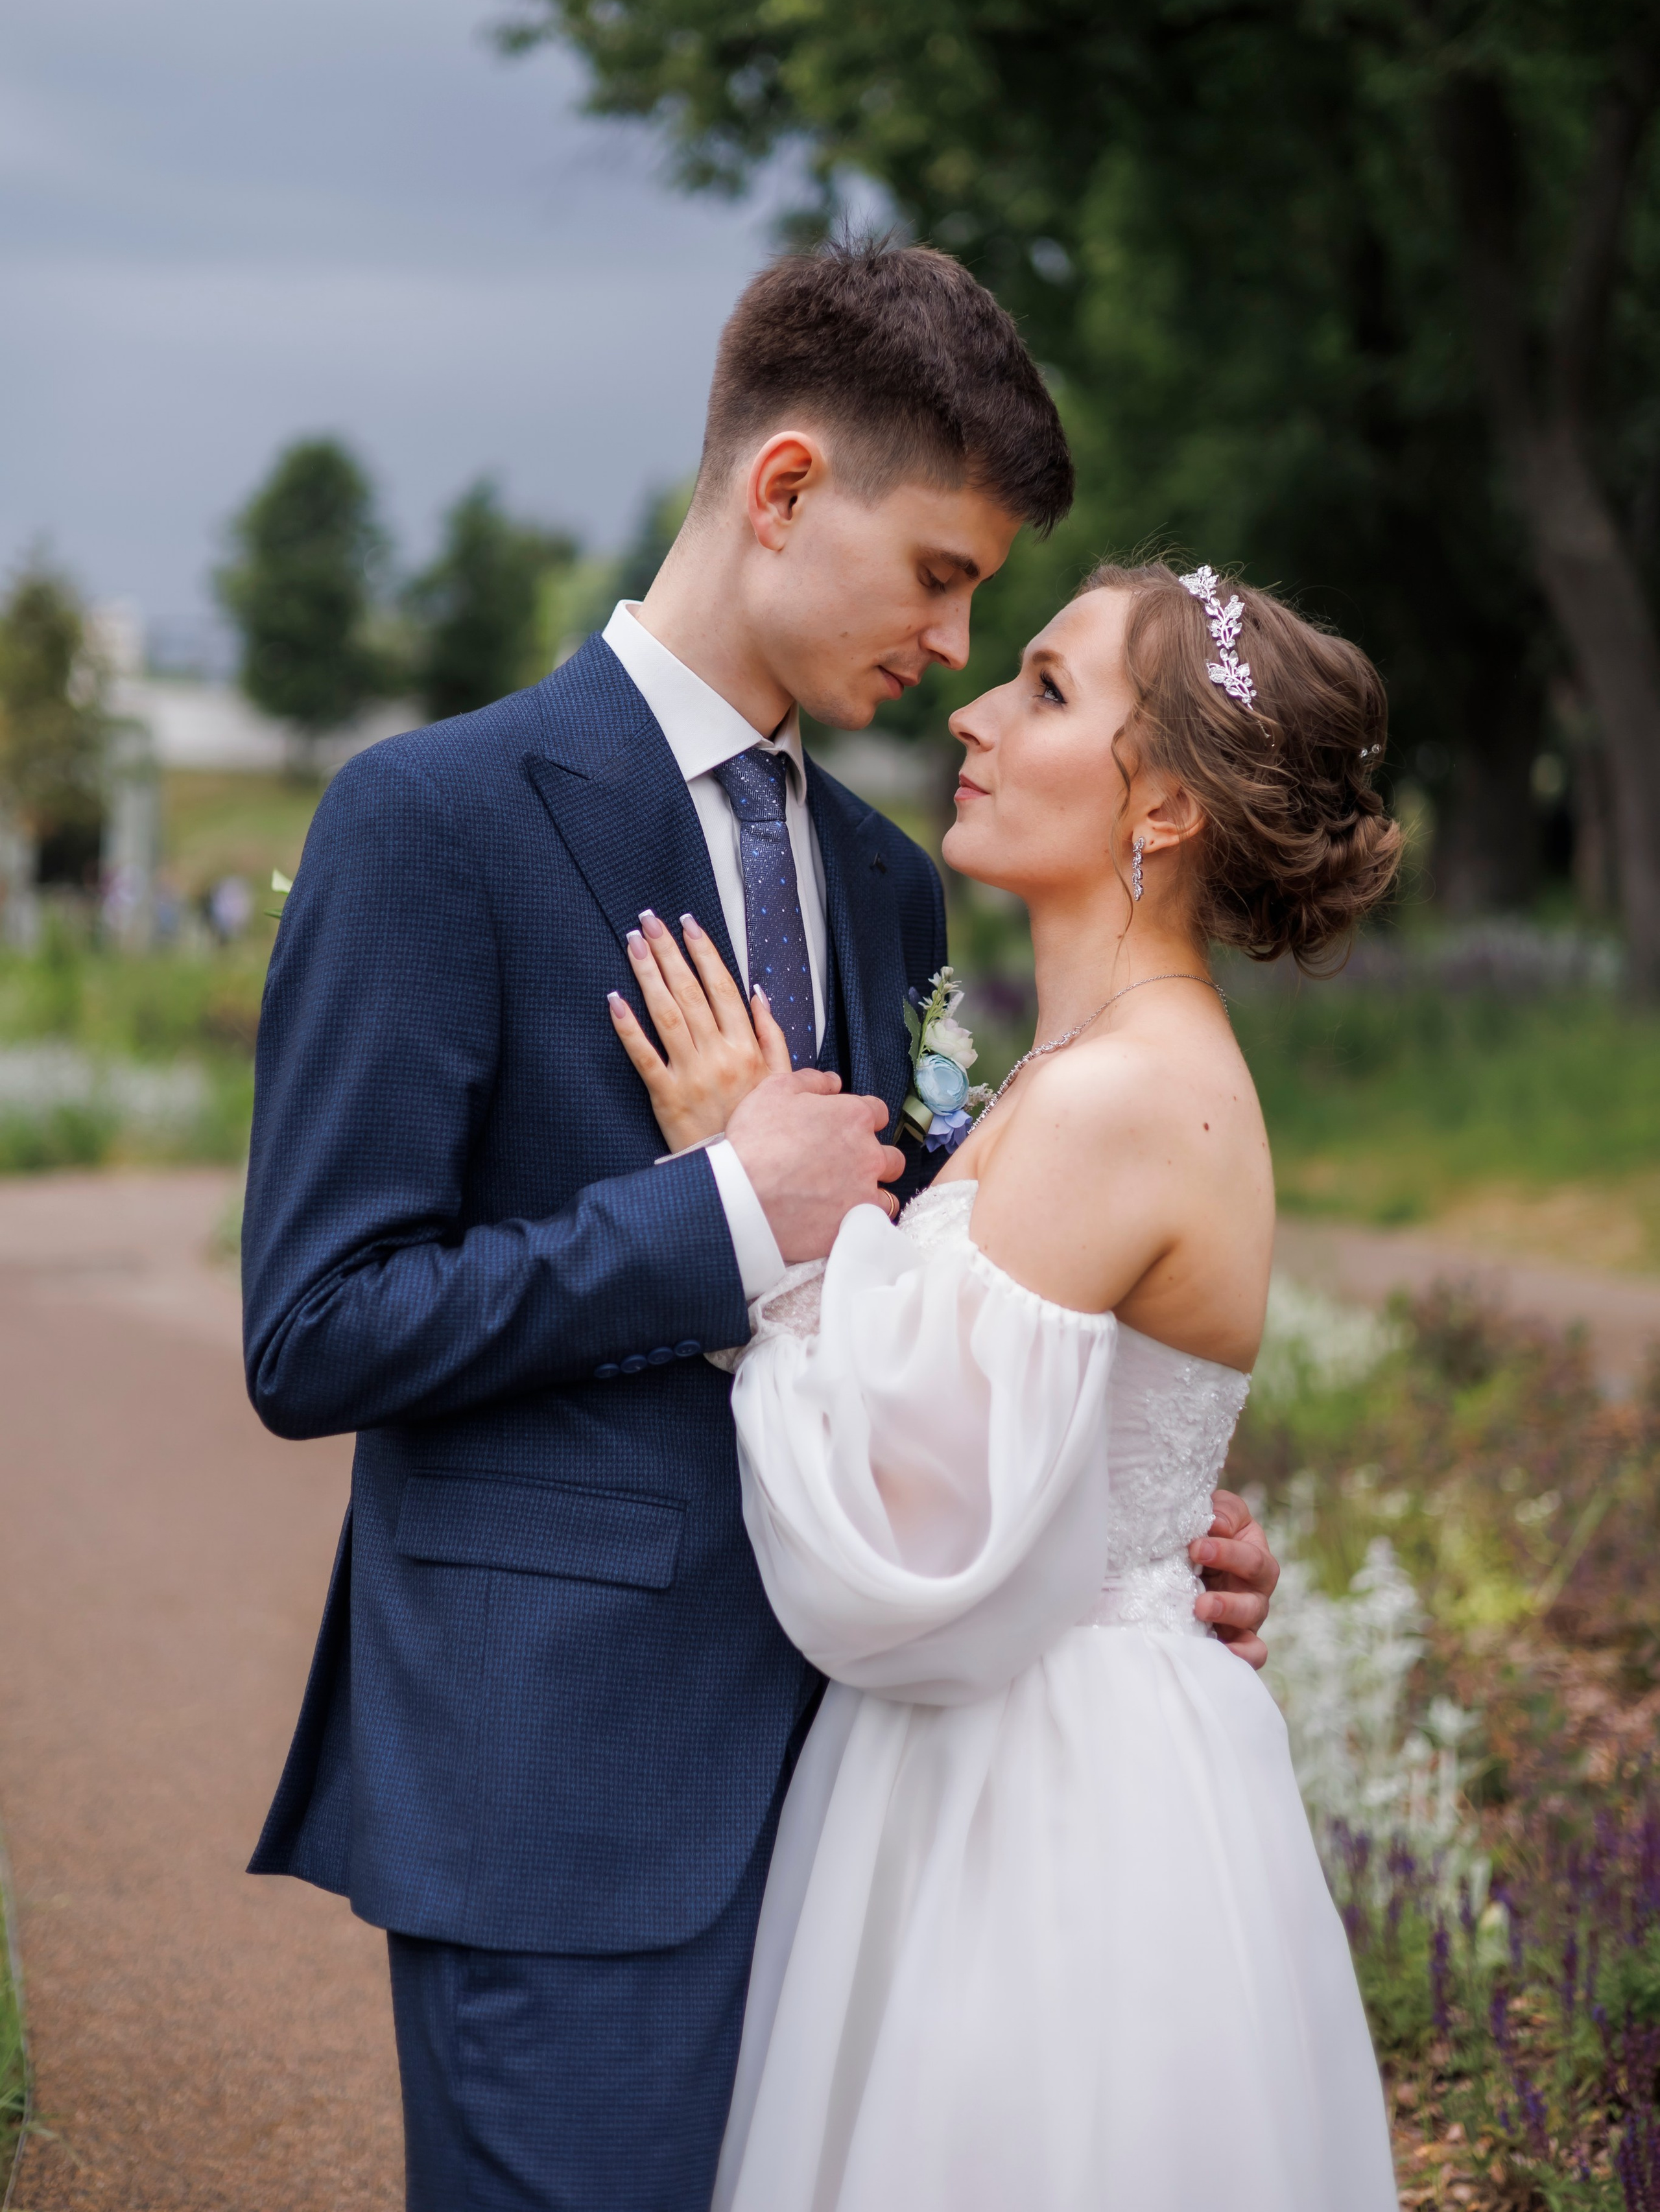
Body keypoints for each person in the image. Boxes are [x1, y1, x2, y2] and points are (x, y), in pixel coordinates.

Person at [241, 240, 1283, 2212]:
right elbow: (316, 1328)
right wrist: (716, 1218)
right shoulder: (431, 821)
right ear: (787, 490)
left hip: (880, 1809)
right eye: (943, 575)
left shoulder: (896, 887)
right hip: (565, 1798)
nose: (960, 651)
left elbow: (928, 1304)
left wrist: (1118, 1523)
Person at [611, 555, 1403, 2209]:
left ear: (1165, 804)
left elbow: (902, 1531)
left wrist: (747, 1193)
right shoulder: (1074, 1076)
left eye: (1043, 689)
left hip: (1045, 1798)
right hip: (1020, 1735)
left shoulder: (1122, 1096)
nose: (969, 709)